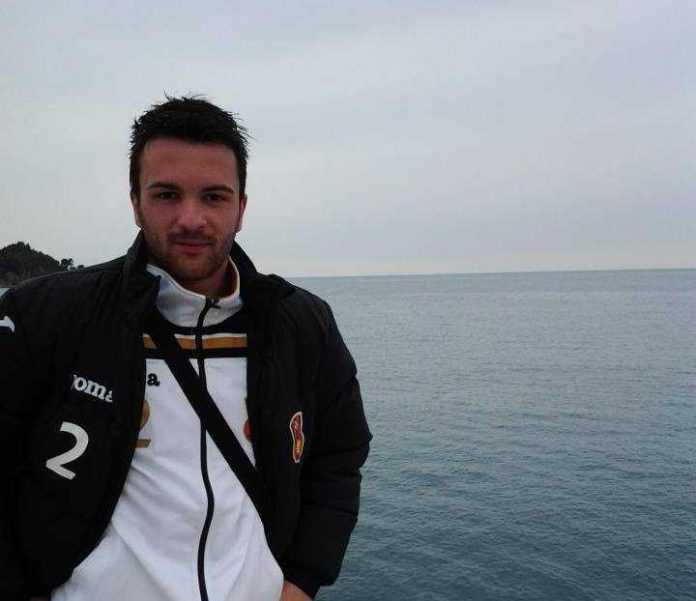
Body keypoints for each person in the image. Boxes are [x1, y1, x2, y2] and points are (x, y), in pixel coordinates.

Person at [0, 97, 371, 601]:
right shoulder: (45, 317)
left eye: (213, 197)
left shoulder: (303, 325)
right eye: (167, 195)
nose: (190, 218)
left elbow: (339, 459)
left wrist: (303, 580)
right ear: (136, 202)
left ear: (241, 208)